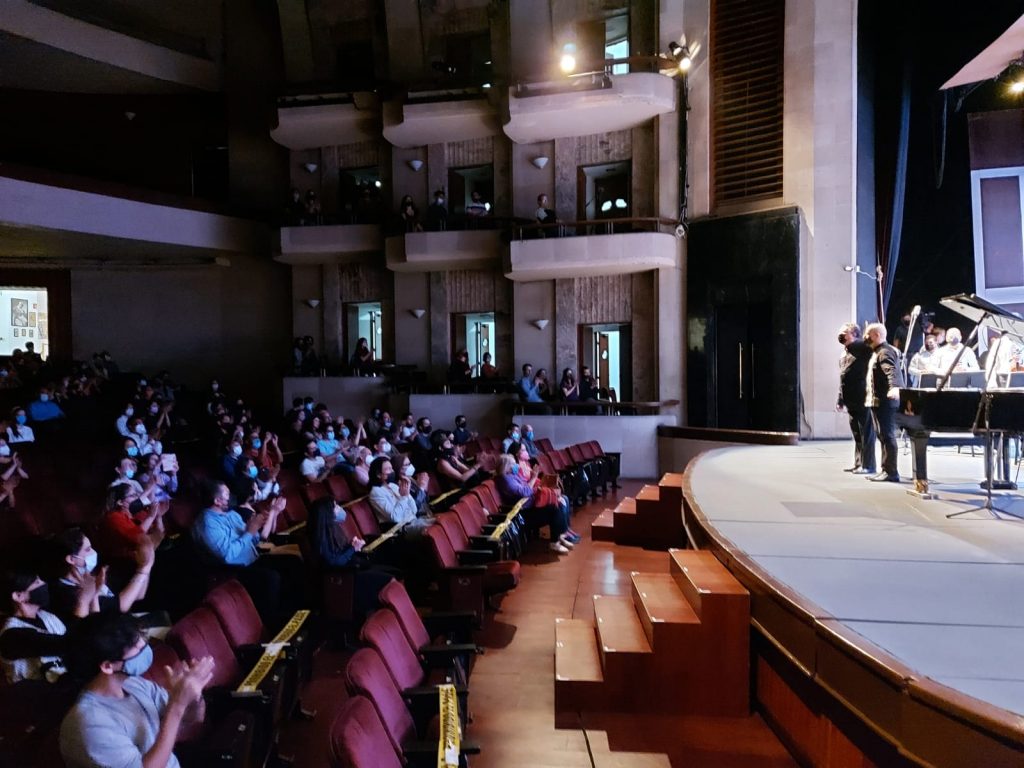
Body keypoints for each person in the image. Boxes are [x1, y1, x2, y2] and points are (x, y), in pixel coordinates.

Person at [59, 613, 213, 768]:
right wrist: (177, 706)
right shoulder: (89, 723)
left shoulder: (133, 684)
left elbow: (193, 718)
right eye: (136, 646)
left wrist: (193, 694)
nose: (145, 646)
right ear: (107, 666)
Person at [306, 497, 394, 623]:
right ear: (327, 513)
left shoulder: (333, 528)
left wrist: (352, 545)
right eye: (335, 507)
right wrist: (353, 549)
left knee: (393, 573)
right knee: (390, 581)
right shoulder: (320, 538)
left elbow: (340, 552)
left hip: (352, 567)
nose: (339, 509)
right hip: (346, 577)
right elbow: (334, 563)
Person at [48, 528, 154, 623]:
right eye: (87, 550)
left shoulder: (94, 571)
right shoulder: (65, 592)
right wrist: (144, 568)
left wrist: (146, 562)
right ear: (71, 559)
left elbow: (138, 595)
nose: (93, 552)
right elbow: (121, 606)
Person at [494, 454, 574, 554]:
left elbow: (527, 486)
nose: (516, 466)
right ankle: (555, 542)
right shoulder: (505, 479)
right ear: (506, 466)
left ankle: (560, 536)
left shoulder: (512, 476)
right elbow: (525, 492)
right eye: (513, 464)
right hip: (522, 514)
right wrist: (533, 477)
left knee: (563, 499)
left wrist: (533, 479)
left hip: (532, 504)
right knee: (554, 508)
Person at [1, 569, 69, 683]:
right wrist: (84, 601)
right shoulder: (11, 634)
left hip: (60, 684)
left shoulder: (47, 616)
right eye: (37, 582)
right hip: (35, 692)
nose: (44, 584)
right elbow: (62, 644)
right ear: (18, 596)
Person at [864, 322, 904, 482]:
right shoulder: (878, 352)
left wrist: (894, 387)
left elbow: (891, 370)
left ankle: (891, 472)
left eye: (868, 334)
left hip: (885, 401)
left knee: (887, 436)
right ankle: (886, 469)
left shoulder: (885, 352)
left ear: (877, 335)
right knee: (883, 436)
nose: (865, 337)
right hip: (878, 401)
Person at [836, 323, 876, 475]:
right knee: (857, 432)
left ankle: (868, 465)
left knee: (866, 432)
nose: (841, 334)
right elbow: (843, 378)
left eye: (844, 332)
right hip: (850, 398)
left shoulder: (863, 349)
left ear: (854, 334)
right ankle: (859, 463)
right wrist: (840, 399)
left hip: (863, 396)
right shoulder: (844, 354)